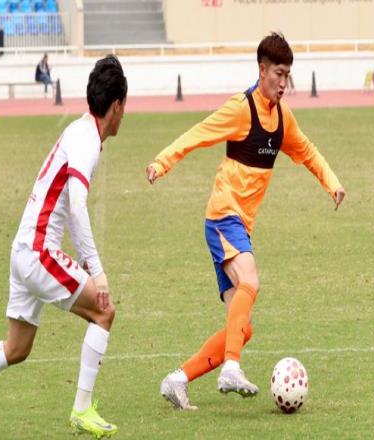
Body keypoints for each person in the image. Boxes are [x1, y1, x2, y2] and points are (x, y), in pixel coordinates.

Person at [146, 32, 346, 410]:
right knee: (251, 280)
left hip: (239, 226)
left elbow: (308, 152)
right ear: (262, 70)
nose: (284, 83)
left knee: (242, 327)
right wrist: (161, 162)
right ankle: (231, 369)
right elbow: (198, 134)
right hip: (224, 216)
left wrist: (332, 183)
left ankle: (177, 380)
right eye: (278, 74)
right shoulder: (241, 109)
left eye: (288, 76)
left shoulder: (283, 119)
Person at [0, 55, 127, 438]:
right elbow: (76, 205)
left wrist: (83, 260)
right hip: (38, 252)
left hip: (23, 251)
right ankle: (82, 410)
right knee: (104, 312)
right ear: (118, 106)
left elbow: (68, 204)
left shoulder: (80, 131)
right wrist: (97, 270)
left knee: (17, 348)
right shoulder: (87, 140)